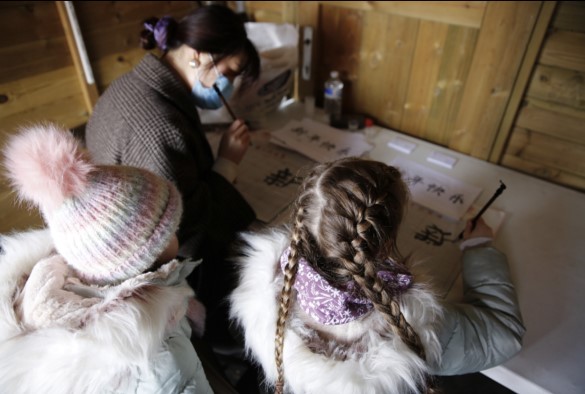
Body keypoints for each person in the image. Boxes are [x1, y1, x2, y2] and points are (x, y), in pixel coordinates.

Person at [229, 157, 525, 394]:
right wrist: (479, 246)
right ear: (385, 244)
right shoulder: (421, 330)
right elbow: (504, 333)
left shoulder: (264, 297)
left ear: (302, 222)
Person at [84, 4, 261, 343]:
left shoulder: (130, 86)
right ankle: (224, 347)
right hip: (149, 270)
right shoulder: (160, 126)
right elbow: (185, 226)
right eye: (231, 71)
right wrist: (227, 163)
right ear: (197, 54)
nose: (231, 83)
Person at [0, 124, 213, 393]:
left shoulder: (44, 285)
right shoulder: (165, 361)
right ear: (142, 259)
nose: (177, 232)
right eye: (169, 230)